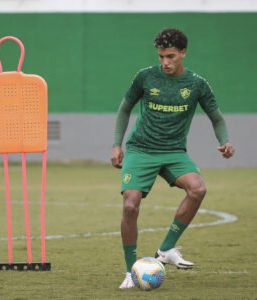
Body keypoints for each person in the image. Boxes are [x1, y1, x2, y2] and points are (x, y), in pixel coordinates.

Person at [110, 28, 235, 289]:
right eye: (161, 57)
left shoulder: (197, 84)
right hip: (141, 149)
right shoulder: (145, 77)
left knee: (197, 189)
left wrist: (224, 140)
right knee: (130, 206)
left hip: (173, 152)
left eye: (170, 56)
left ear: (183, 53)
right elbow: (124, 108)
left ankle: (165, 250)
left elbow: (217, 117)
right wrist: (116, 144)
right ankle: (130, 271)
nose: (165, 62)